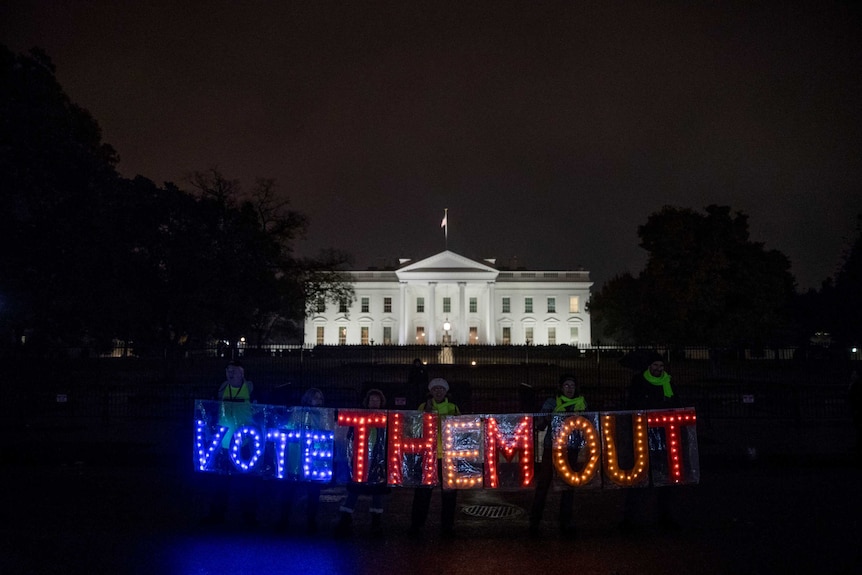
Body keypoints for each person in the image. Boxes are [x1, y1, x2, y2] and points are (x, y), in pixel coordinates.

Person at [621, 352, 681, 532]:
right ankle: (631, 517)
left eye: (661, 366)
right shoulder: (638, 381)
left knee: (663, 477)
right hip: (642, 433)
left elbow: (676, 402)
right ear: (649, 366)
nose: (658, 369)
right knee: (639, 477)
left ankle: (663, 514)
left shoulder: (668, 382)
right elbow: (632, 404)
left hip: (663, 434)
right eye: (655, 366)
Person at [529, 373, 587, 537]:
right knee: (544, 483)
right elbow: (540, 424)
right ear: (561, 388)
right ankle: (535, 520)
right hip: (552, 447)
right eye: (566, 386)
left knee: (568, 485)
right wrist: (547, 417)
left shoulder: (582, 402)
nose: (569, 389)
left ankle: (565, 520)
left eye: (572, 386)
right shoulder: (551, 402)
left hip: (572, 448)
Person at [203, 360, 258, 526]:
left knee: (246, 483)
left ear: (242, 373)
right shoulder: (221, 390)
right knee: (220, 483)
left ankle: (249, 518)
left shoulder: (251, 391)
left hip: (244, 443)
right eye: (227, 370)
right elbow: (211, 410)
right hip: (224, 444)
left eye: (233, 371)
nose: (230, 373)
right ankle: (217, 516)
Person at [409, 378, 461, 538]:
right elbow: (415, 428)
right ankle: (417, 524)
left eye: (441, 389)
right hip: (428, 456)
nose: (438, 391)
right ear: (431, 391)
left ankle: (447, 525)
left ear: (446, 392)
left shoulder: (453, 408)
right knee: (423, 493)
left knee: (449, 494)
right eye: (435, 388)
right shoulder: (423, 407)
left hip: (448, 456)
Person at [335, 388, 390, 537]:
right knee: (354, 489)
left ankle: (376, 523)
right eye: (372, 399)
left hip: (378, 460)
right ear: (367, 401)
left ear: (381, 402)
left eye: (377, 400)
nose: (374, 402)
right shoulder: (359, 417)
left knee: (377, 491)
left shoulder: (387, 418)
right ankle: (345, 520)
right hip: (361, 458)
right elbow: (350, 436)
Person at [276, 387, 328, 533]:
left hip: (314, 460)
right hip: (296, 457)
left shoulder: (324, 414)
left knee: (313, 493)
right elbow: (288, 428)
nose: (318, 401)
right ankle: (283, 520)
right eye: (315, 397)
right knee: (289, 490)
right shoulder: (298, 412)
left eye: (320, 398)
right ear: (308, 398)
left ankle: (311, 522)